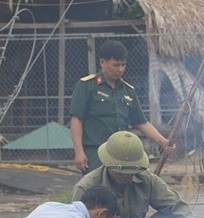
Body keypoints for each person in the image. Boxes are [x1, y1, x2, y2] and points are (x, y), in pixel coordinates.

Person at [69, 40, 173, 174]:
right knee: (98, 191)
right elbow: (76, 120)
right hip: (96, 153)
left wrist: (164, 142)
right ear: (102, 62)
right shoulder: (87, 86)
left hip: (123, 153)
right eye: (116, 65)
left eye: (123, 65)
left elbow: (141, 123)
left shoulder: (128, 90)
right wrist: (79, 152)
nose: (120, 69)